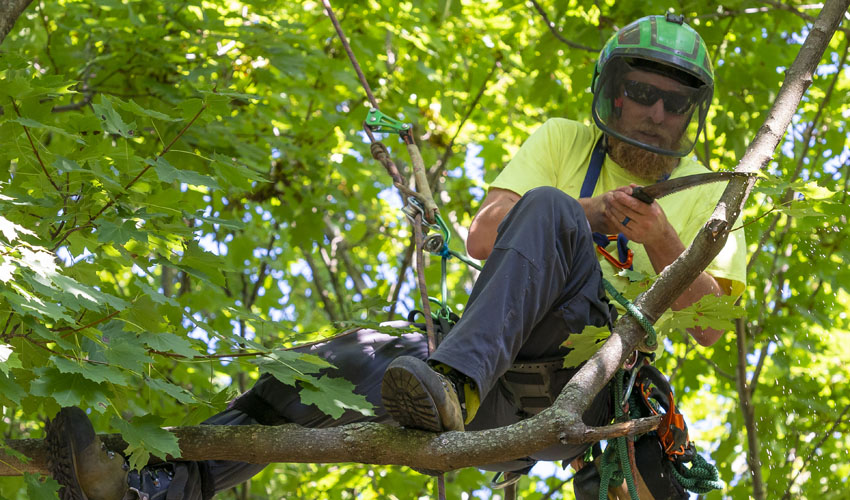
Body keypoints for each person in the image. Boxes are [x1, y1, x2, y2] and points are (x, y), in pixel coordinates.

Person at [46, 13, 746, 500]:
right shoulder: (564, 141)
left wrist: (662, 241)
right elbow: (484, 234)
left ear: (693, 117)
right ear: (612, 94)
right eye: (642, 94)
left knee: (551, 214)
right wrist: (587, 215)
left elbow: (712, 323)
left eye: (674, 103)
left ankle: (453, 384)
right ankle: (158, 483)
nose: (657, 112)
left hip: (580, 387)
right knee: (338, 362)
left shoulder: (712, 197)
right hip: (485, 370)